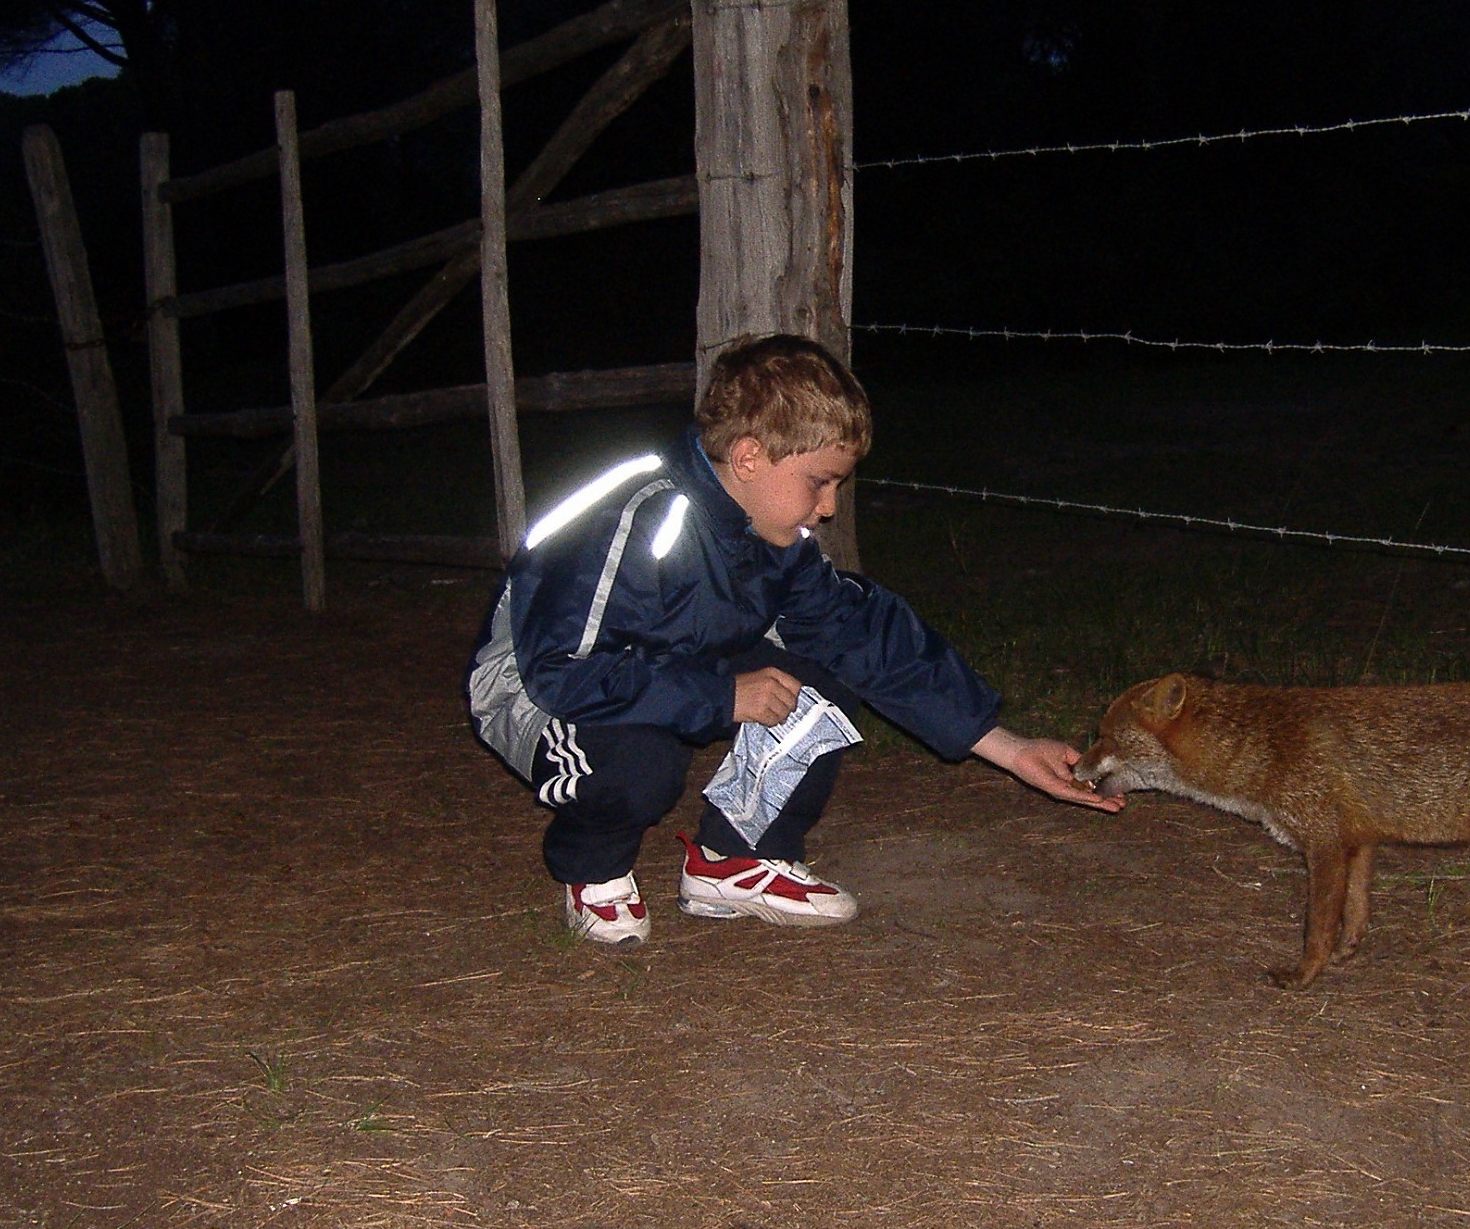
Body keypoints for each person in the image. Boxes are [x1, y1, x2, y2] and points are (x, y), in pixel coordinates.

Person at [468, 333, 1122, 947]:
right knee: (641, 763)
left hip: (656, 668)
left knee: (824, 669)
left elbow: (865, 635)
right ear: (750, 456)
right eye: (820, 481)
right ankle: (596, 869)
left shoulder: (770, 539)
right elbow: (566, 670)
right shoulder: (640, 516)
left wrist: (1007, 748)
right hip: (537, 687)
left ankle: (737, 858)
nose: (830, 506)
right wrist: (721, 695)